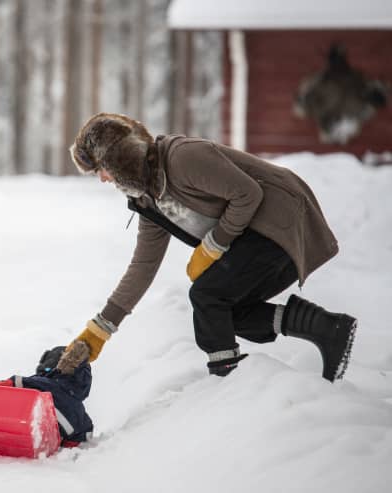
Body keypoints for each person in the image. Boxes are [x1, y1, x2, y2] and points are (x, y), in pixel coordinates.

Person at [56, 113, 356, 381]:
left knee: (207, 295)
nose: (102, 179)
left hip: (283, 217)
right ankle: (328, 330)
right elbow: (143, 267)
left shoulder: (182, 158)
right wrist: (100, 329)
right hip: (254, 236)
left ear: (121, 159)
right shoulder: (149, 200)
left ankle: (226, 379)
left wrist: (213, 245)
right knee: (225, 311)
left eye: (102, 169)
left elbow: (248, 194)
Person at [0, 341, 93, 447]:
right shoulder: (78, 407)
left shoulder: (45, 384)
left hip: (30, 435)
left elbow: (16, 381)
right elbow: (85, 431)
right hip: (70, 438)